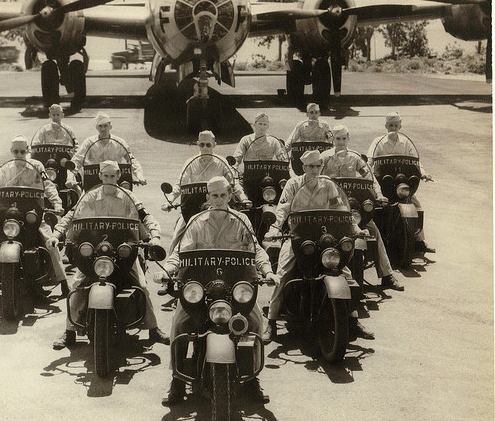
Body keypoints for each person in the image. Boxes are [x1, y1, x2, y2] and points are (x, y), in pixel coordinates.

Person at [153, 176, 280, 406]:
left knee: (254, 322)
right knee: (180, 325)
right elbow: (180, 252)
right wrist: (168, 271)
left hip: (234, 286)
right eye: (214, 195)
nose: (219, 199)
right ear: (208, 197)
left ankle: (252, 379)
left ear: (230, 195)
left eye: (223, 195)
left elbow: (255, 249)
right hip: (201, 287)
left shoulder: (241, 219)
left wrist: (268, 271)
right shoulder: (196, 221)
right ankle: (177, 381)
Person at [47, 160, 170, 347]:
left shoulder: (128, 196)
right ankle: (69, 332)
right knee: (77, 285)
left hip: (124, 250)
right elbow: (71, 216)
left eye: (113, 176)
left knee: (142, 286)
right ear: (100, 177)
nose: (110, 179)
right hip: (95, 251)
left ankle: (153, 329)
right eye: (106, 176)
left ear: (119, 176)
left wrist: (155, 236)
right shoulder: (89, 196)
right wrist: (56, 234)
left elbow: (146, 216)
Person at [265, 150, 374, 341]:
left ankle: (353, 320)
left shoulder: (328, 185)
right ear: (303, 167)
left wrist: (356, 227)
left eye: (317, 166)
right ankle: (271, 322)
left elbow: (341, 208)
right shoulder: (293, 184)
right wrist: (275, 228)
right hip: (298, 237)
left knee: (345, 272)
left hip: (325, 236)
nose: (314, 169)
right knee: (283, 274)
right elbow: (282, 208)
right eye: (310, 166)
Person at [0, 135, 69, 299]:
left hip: (33, 213)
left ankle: (64, 283)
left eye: (22, 151)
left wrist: (57, 204)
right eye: (16, 151)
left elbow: (48, 186)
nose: (19, 155)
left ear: (28, 150)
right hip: (9, 213)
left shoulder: (36, 166)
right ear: (11, 152)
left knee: (49, 242)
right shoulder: (5, 168)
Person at [321, 125, 404, 291]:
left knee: (374, 231)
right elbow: (316, 180)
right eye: (338, 139)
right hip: (331, 208)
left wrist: (379, 195)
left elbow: (370, 178)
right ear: (332, 139)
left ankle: (387, 275)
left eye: (344, 138)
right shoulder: (325, 158)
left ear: (348, 138)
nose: (341, 142)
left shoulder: (355, 157)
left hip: (353, 207)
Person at [163, 130, 250, 253]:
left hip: (218, 205)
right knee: (177, 238)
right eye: (202, 144)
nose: (205, 148)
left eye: (208, 145)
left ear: (214, 144)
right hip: (192, 207)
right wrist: (170, 200)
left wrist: (243, 198)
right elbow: (180, 183)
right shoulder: (190, 163)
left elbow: (233, 183)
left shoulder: (222, 162)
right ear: (198, 144)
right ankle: (173, 270)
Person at [367, 112, 435, 253]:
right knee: (372, 207)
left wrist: (423, 173)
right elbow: (370, 161)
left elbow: (415, 161)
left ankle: (419, 241)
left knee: (415, 204)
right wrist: (366, 173)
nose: (393, 128)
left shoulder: (406, 142)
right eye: (390, 125)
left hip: (401, 182)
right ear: (386, 126)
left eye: (396, 125)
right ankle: (372, 243)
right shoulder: (378, 141)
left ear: (400, 126)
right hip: (384, 183)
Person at [69, 111, 146, 186]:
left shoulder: (119, 142)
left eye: (105, 126)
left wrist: (139, 175)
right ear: (96, 128)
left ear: (110, 127)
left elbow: (131, 160)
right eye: (100, 126)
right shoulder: (89, 142)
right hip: (94, 182)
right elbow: (77, 160)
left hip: (115, 182)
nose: (103, 129)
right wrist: (70, 178)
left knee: (128, 196)